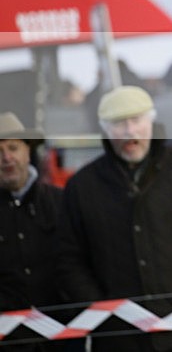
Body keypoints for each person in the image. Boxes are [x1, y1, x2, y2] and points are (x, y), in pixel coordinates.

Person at [57, 86, 172, 351]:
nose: (130, 131)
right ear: (105, 130)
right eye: (120, 124)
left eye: (137, 120)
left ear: (151, 122)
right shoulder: (82, 186)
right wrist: (99, 304)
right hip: (121, 338)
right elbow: (68, 257)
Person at [0, 112, 65, 351]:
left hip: (62, 334)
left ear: (28, 151)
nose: (7, 158)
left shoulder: (61, 202)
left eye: (13, 148)